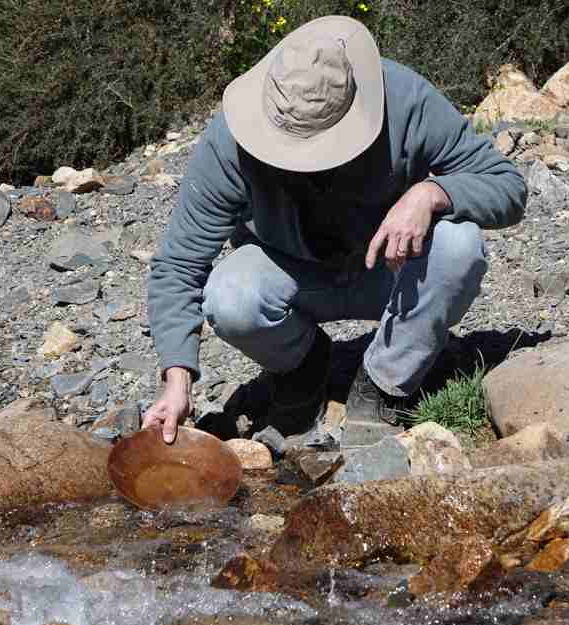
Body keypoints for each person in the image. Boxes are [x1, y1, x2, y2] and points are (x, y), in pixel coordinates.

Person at [142, 15, 526, 445]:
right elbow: (179, 265)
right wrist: (177, 378)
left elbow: (508, 187)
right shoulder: (227, 143)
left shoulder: (405, 100)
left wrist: (432, 193)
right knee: (229, 296)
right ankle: (303, 365)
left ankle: (382, 384)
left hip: (392, 271)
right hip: (294, 277)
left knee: (459, 244)